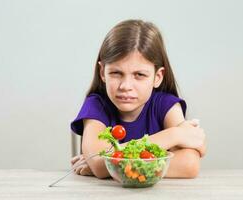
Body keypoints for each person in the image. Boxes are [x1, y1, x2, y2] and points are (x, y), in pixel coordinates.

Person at [70, 19, 206, 179]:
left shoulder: (166, 105)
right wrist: (175, 135)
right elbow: (100, 164)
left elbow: (189, 166)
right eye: (116, 73)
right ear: (102, 72)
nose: (126, 86)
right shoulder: (96, 105)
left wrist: (114, 167)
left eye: (139, 75)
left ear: (158, 77)